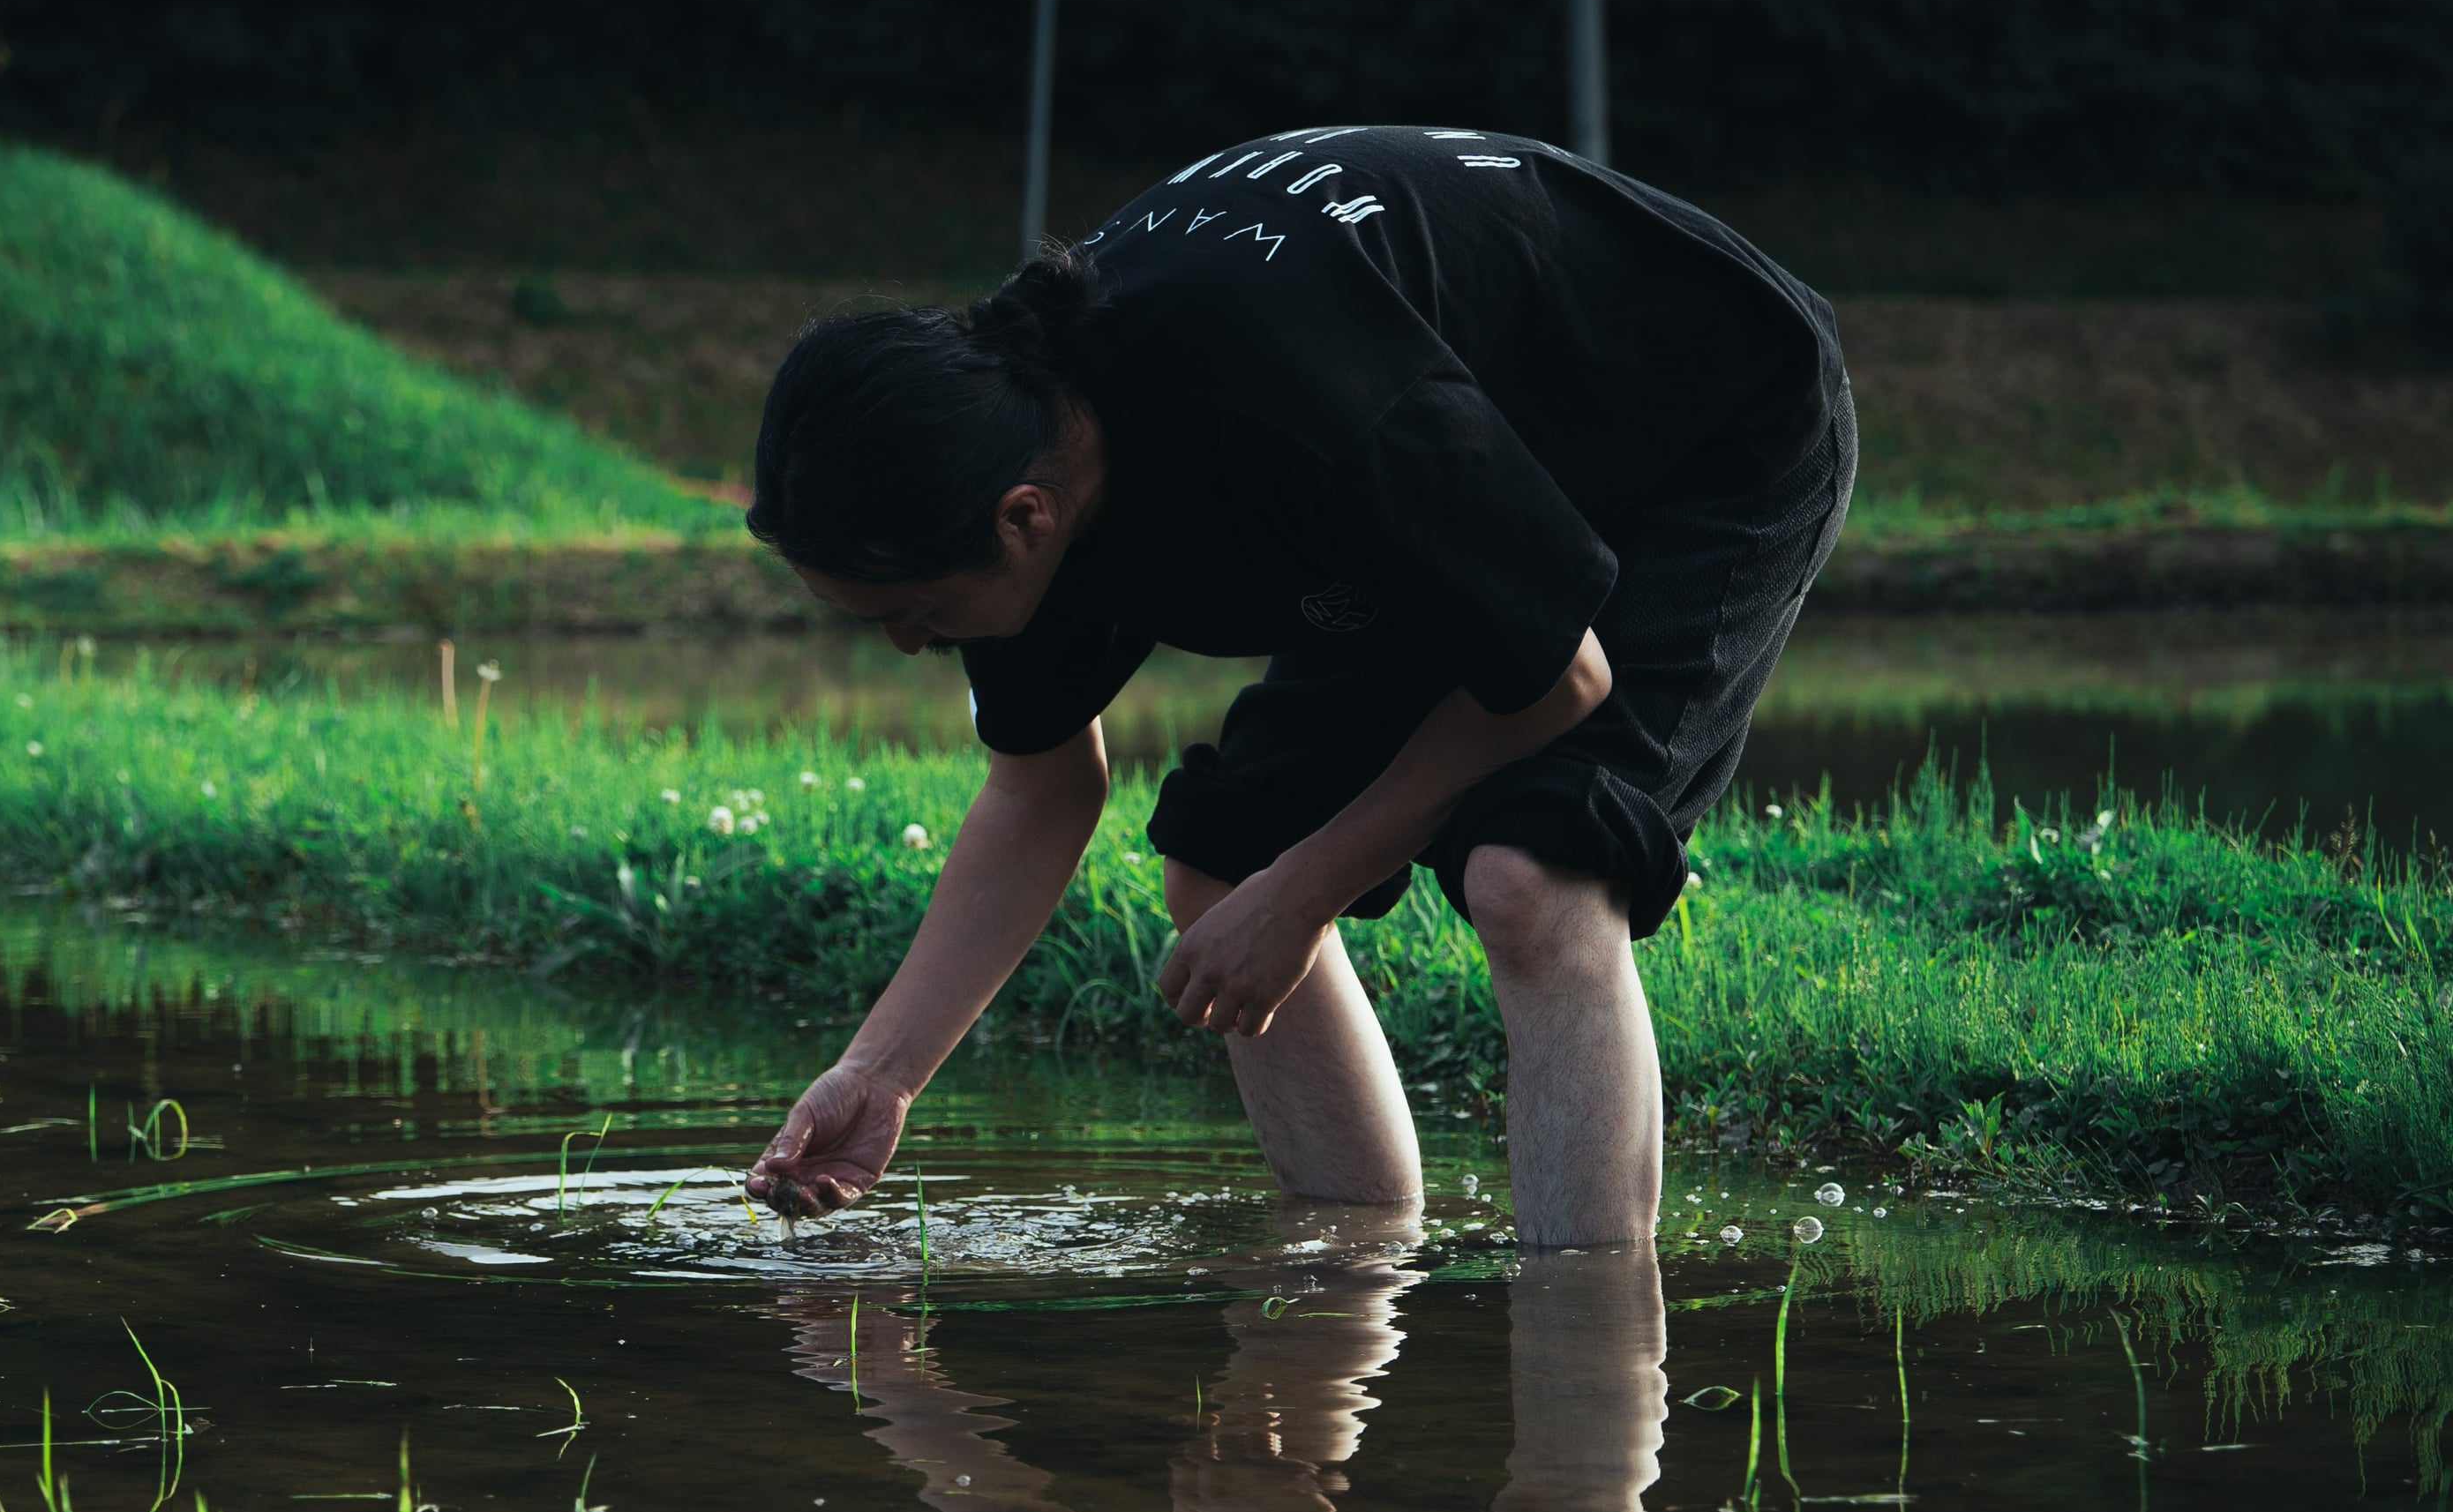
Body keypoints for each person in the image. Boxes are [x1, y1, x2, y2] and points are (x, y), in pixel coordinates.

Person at [738, 124, 1853, 1246]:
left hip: (1702, 418)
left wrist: (1306, 891)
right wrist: (881, 1072)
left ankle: (1590, 1332)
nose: (906, 646)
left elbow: (1563, 676)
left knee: (1534, 871)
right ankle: (1344, 1287)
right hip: (1447, 491)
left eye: (910, 612)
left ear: (1020, 520)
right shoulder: (1006, 439)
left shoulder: (1284, 391)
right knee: (1225, 866)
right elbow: (1039, 790)